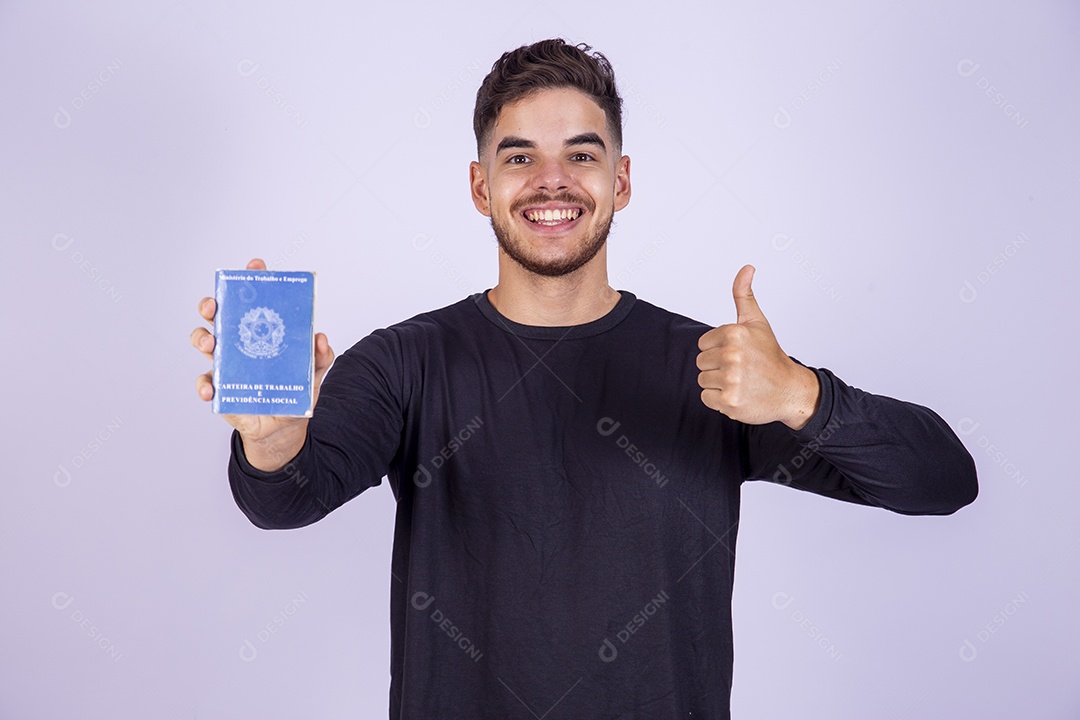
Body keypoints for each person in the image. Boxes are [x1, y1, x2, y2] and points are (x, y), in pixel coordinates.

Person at [191, 38, 977, 720]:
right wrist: (274, 437)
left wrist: (803, 395)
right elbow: (284, 498)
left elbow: (944, 480)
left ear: (621, 181)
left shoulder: (714, 370)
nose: (551, 181)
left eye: (581, 154)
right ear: (480, 187)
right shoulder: (406, 363)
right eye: (520, 156)